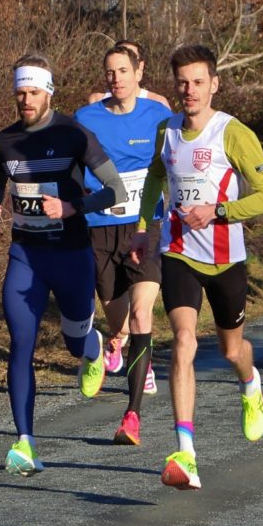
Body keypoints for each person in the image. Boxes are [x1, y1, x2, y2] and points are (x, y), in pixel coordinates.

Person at [129, 44, 263, 491]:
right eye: (182, 82)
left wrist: (219, 211)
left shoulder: (233, 133)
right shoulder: (166, 129)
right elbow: (157, 176)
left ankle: (250, 384)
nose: (189, 91)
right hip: (178, 252)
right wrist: (143, 226)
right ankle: (185, 453)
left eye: (198, 82)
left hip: (225, 257)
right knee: (183, 341)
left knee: (233, 351)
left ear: (214, 84)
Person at [0, 54, 126, 475]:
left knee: (75, 341)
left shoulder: (75, 133)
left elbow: (115, 190)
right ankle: (24, 442)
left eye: (33, 92)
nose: (25, 100)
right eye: (19, 92)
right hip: (26, 255)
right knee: (21, 343)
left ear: (49, 92)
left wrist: (72, 206)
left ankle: (93, 347)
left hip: (73, 254)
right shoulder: (4, 142)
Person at [74, 45, 171, 445]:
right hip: (100, 228)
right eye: (110, 71)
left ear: (139, 73)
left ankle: (131, 416)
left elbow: (173, 166)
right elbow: (71, 171)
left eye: (123, 70)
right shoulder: (85, 119)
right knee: (118, 319)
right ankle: (109, 342)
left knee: (142, 315)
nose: (116, 78)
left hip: (144, 227)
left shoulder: (159, 117)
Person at [87, 40, 171, 107]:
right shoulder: (97, 102)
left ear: (141, 65)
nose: (117, 78)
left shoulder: (158, 103)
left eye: (132, 56)